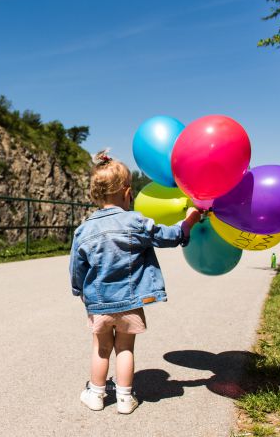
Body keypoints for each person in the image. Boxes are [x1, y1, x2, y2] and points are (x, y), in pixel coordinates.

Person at [70, 149, 201, 414]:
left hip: (99, 304)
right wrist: (188, 222)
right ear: (128, 193)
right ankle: (125, 399)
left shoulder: (83, 230)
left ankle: (95, 395)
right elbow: (169, 236)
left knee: (101, 348)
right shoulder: (137, 221)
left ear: (95, 195)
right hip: (130, 303)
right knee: (125, 349)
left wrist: (79, 291)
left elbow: (77, 268)